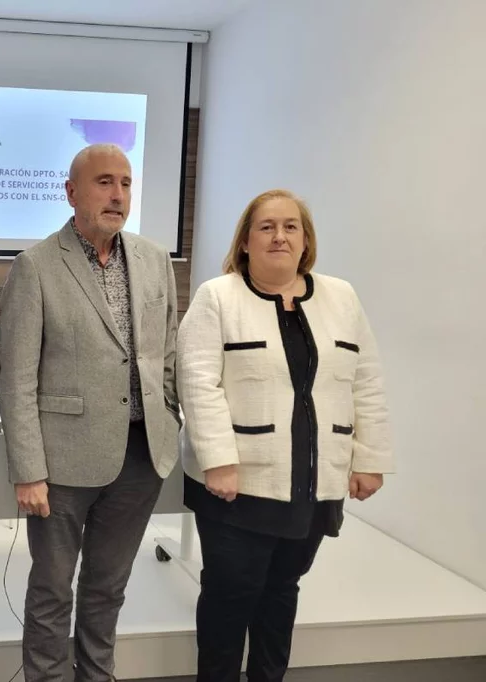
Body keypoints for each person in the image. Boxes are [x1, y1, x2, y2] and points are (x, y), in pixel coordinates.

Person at [177, 189, 393, 682]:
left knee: (282, 589)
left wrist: (370, 457)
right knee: (231, 596)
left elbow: (367, 379)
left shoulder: (342, 296)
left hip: (313, 484)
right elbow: (196, 381)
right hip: (235, 486)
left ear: (305, 239)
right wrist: (218, 459)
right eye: (267, 227)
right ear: (246, 241)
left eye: (291, 226)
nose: (280, 236)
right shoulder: (217, 296)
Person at [0, 143, 182, 682]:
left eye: (125, 183)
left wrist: (169, 413)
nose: (117, 194)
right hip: (62, 465)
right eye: (104, 182)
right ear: (71, 191)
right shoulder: (35, 266)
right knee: (53, 591)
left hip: (141, 456)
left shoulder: (152, 259)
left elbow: (164, 350)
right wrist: (28, 469)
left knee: (108, 587)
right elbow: (17, 379)